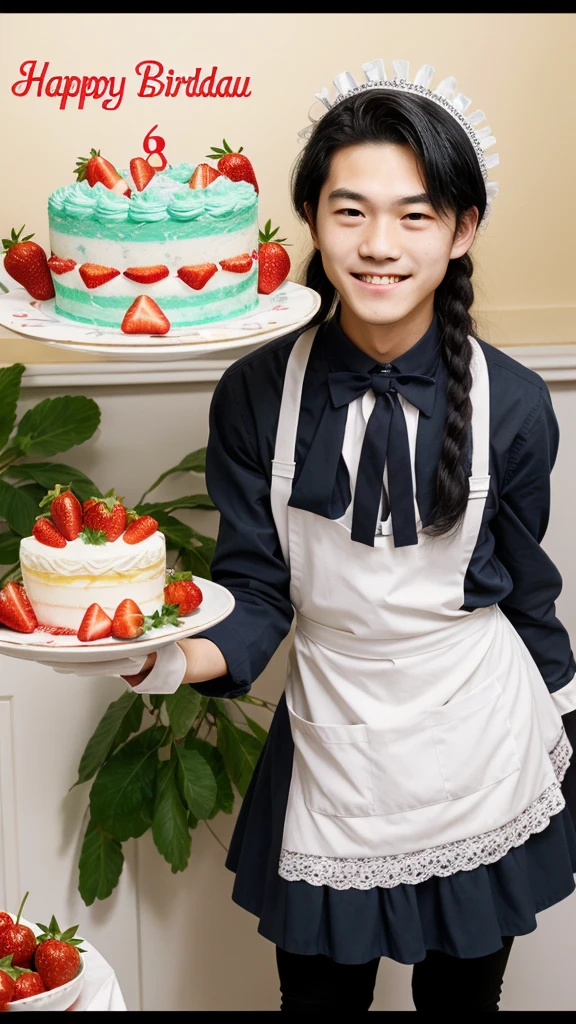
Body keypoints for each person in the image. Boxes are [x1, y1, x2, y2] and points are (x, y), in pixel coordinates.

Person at [55, 60, 576, 1012]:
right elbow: (256, 591)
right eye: (351, 211)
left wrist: (567, 712)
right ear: (310, 219)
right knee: (318, 1000)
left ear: (462, 232)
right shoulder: (256, 394)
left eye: (416, 215)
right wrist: (162, 660)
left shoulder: (516, 403)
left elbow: (524, 582)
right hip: (333, 734)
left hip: (481, 736)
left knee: (464, 1000)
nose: (380, 245)